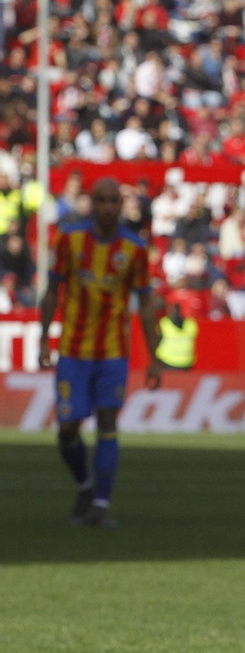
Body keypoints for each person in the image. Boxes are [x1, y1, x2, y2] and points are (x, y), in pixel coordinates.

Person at [37, 178, 162, 528]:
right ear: (92, 203)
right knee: (67, 428)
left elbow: (146, 303)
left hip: (112, 352)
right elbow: (52, 292)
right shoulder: (70, 240)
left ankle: (101, 506)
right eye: (101, 200)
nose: (107, 207)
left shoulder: (134, 249)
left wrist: (153, 357)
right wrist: (44, 338)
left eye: (113, 201)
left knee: (108, 420)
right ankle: (85, 486)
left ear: (121, 206)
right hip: (73, 351)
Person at [154, 303, 197, 370]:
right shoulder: (191, 324)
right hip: (186, 362)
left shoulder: (164, 323)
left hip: (166, 361)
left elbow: (155, 339)